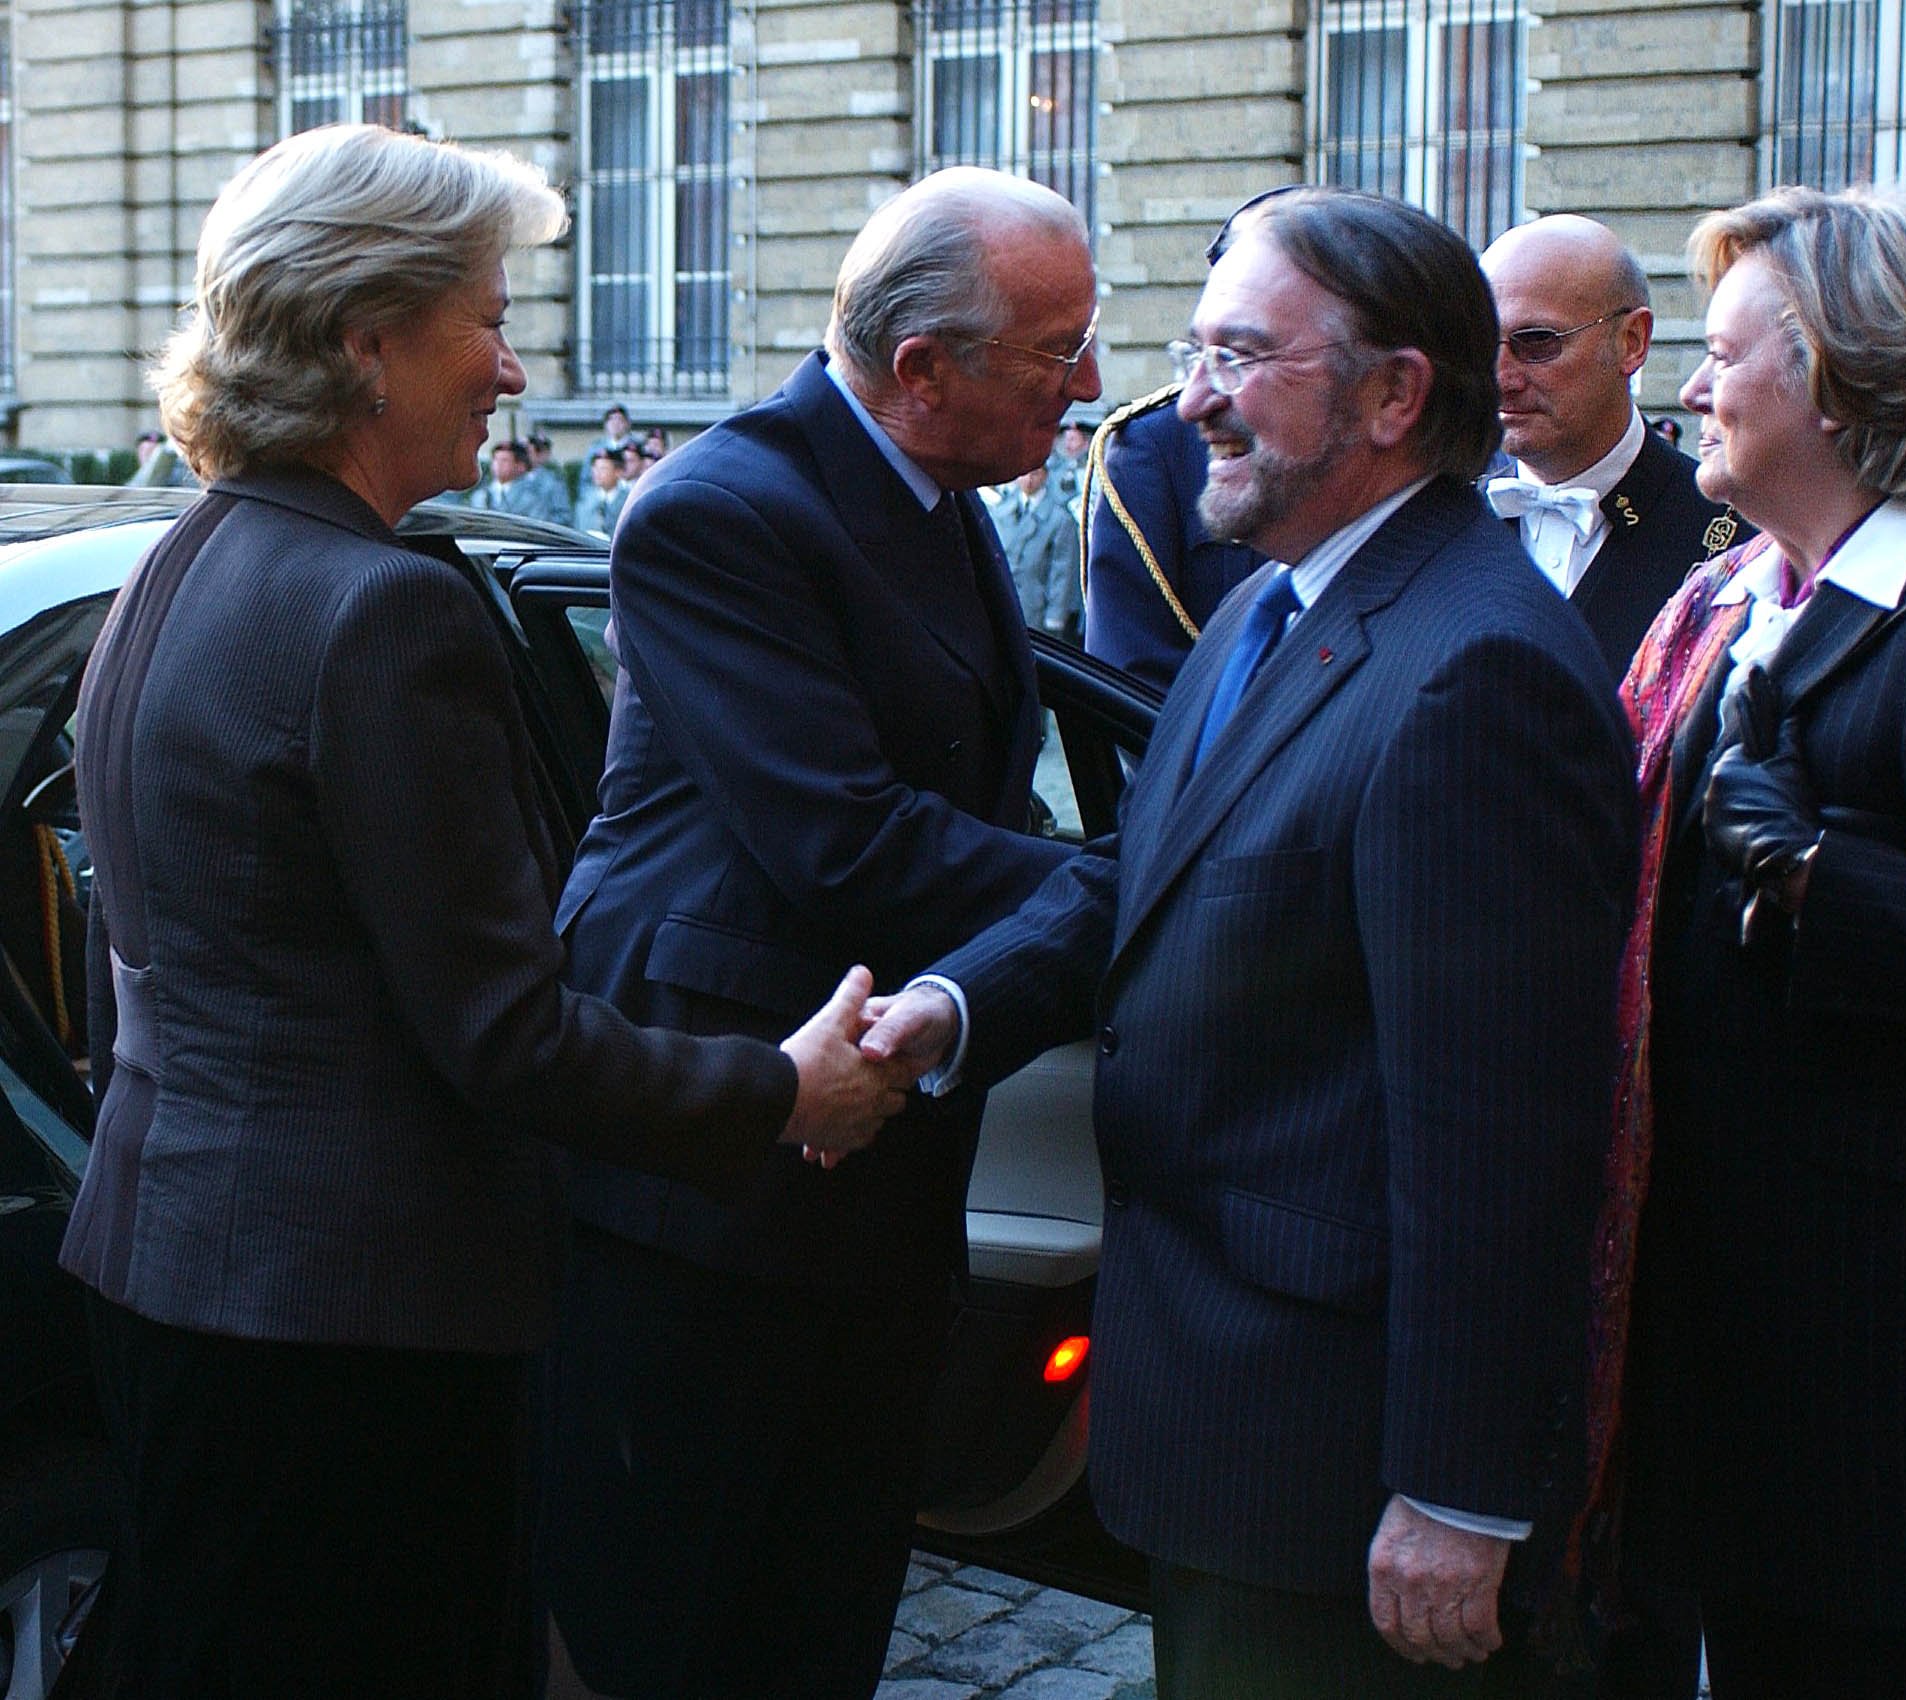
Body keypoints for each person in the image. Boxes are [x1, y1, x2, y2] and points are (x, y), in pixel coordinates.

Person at [49, 123, 904, 1700]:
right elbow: (504, 1035)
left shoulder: (182, 566)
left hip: (172, 1271)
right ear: (370, 341)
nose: (514, 371)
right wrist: (788, 1086)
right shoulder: (383, 610)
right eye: (492, 321)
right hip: (351, 1330)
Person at [864, 185, 1637, 1698]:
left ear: (1395, 393)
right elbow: (1136, 883)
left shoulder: (1474, 669)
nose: (1188, 400)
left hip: (1341, 1481)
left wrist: (1459, 1490)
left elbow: (1499, 1130)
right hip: (1232, 1435)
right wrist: (954, 1013)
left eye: (1237, 355)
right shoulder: (1278, 603)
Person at [534, 165, 1099, 1700]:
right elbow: (846, 839)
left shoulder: (941, 497)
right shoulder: (723, 507)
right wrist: (1125, 888)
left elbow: (967, 784)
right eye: (1060, 351)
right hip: (711, 1179)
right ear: (925, 374)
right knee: (680, 1618)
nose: (1094, 383)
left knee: (825, 1605)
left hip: (878, 1159)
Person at [1600, 180, 1906, 1700]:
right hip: (1745, 1333)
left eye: (1725, 357)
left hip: (1878, 1380)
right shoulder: (1744, 599)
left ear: (1843, 376)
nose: (1688, 389)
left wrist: (1814, 870)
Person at [1480, 214, 1741, 681]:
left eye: (1537, 343)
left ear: (1631, 342)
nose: (1502, 378)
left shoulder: (1731, 534)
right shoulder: (1440, 519)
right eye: (1481, 345)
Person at [1081, 381, 1264, 687]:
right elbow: (1127, 679)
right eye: (1197, 351)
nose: (1192, 404)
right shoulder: (1158, 441)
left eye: (1238, 353)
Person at [991, 459, 1082, 639]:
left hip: (1035, 607)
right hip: (1002, 599)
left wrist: (1055, 615)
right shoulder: (1002, 508)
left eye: (1035, 473)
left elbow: (1062, 571)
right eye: (1024, 473)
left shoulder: (1060, 518)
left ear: (1045, 475)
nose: (1028, 479)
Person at [471, 436, 540, 515]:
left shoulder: (532, 497)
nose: (498, 465)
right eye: (495, 459)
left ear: (521, 466)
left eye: (505, 460)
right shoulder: (481, 494)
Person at [523, 428, 574, 526]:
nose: (524, 456)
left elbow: (564, 516)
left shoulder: (553, 482)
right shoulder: (515, 478)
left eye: (529, 452)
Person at [574, 445, 626, 538]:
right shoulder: (585, 500)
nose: (597, 473)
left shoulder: (627, 501)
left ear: (618, 472)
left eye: (603, 468)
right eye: (595, 468)